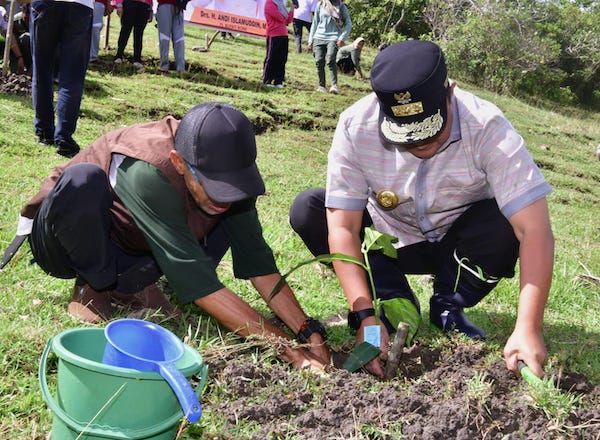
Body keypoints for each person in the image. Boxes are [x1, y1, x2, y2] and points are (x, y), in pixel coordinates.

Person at [289, 41, 554, 379]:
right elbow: (342, 227)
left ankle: (448, 302)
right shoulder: (356, 125)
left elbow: (535, 230)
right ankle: (391, 297)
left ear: (450, 93)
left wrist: (528, 328)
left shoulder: (487, 127)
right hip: (393, 242)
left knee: (507, 220)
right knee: (309, 209)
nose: (419, 144)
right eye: (405, 136)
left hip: (461, 246)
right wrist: (365, 318)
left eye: (430, 130)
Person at [15, 102, 331, 371]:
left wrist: (307, 332)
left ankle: (131, 286)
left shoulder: (233, 176)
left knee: (222, 213)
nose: (224, 195)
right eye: (212, 184)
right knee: (83, 180)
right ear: (180, 162)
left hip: (137, 242)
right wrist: (289, 352)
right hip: (64, 238)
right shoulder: (148, 169)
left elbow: (259, 265)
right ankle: (92, 285)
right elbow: (203, 287)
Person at [30, 0, 93, 157]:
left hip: (45, 5)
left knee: (41, 71)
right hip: (80, 6)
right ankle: (64, 139)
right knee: (72, 76)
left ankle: (45, 133)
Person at [307, 0, 351, 94]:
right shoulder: (321, 4)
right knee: (319, 61)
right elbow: (315, 23)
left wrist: (342, 38)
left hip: (334, 37)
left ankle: (334, 85)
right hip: (318, 37)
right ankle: (321, 85)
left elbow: (348, 23)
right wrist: (310, 40)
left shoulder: (342, 7)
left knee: (330, 59)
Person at [262, 0, 293, 88]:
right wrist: (285, 16)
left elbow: (288, 20)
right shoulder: (269, 3)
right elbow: (280, 18)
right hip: (273, 34)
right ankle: (267, 80)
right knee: (272, 58)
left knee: (282, 59)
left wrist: (292, 9)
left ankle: (278, 81)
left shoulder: (281, 5)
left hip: (284, 34)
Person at [112, 0, 152, 69]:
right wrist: (119, 4)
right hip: (129, 3)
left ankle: (137, 59)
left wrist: (151, 9)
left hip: (144, 5)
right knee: (125, 31)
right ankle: (119, 55)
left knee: (139, 34)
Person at [0, 2, 30, 74]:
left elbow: (9, 36)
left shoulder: (1, 12)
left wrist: (19, 57)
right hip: (15, 51)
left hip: (27, 51)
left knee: (26, 38)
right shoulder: (14, 21)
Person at [156, 0, 185, 72]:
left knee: (179, 39)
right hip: (165, 4)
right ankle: (164, 66)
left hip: (178, 7)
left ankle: (180, 68)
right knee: (164, 37)